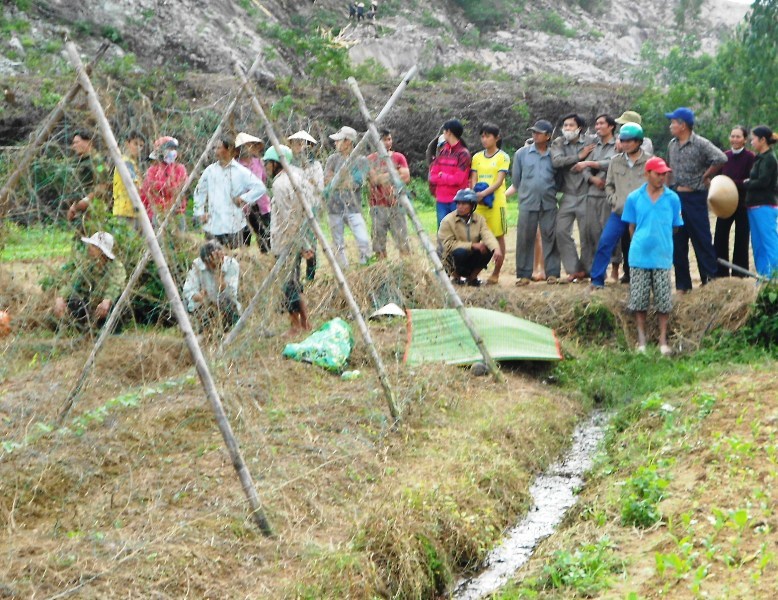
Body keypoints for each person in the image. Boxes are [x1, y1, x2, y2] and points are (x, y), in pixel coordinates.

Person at [621, 157, 683, 355]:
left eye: (665, 174)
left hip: (662, 255)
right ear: (647, 174)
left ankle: (663, 341)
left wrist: (660, 240)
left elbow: (675, 226)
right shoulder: (634, 197)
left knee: (663, 300)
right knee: (639, 300)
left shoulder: (672, 198)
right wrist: (641, 242)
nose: (662, 178)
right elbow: (631, 226)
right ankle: (641, 341)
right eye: (658, 174)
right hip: (639, 256)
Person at [665, 107, 727, 292]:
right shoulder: (672, 145)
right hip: (676, 198)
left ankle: (709, 282)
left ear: (683, 125)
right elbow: (669, 167)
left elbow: (721, 158)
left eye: (673, 122)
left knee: (701, 240)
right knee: (678, 242)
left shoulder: (700, 143)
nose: (671, 126)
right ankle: (683, 286)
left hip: (695, 198)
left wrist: (706, 176)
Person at [590, 123, 650, 289]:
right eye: (623, 140)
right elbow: (609, 184)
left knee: (641, 247)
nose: (625, 144)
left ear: (638, 141)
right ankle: (596, 280)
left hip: (642, 214)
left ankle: (643, 282)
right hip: (620, 212)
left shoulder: (650, 161)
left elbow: (656, 185)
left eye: (629, 141)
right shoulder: (615, 162)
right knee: (605, 243)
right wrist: (613, 199)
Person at [267, 144, 317, 334]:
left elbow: (288, 218)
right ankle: (305, 322)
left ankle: (295, 325)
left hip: (285, 240)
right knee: (296, 283)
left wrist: (299, 243)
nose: (266, 169)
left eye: (268, 164)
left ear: (275, 164)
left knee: (288, 285)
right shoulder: (298, 178)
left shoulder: (280, 184)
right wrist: (304, 242)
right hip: (298, 236)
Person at [193, 137, 267, 249]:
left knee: (233, 258)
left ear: (229, 150)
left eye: (218, 148)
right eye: (214, 148)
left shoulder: (240, 171)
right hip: (214, 224)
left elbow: (260, 187)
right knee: (212, 257)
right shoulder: (210, 171)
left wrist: (244, 198)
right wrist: (199, 212)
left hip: (234, 225)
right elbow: (199, 192)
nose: (215, 151)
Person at [512, 120, 562, 285]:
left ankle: (552, 273)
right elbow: (516, 180)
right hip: (527, 201)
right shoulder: (521, 154)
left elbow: (559, 180)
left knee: (551, 237)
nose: (535, 135)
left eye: (539, 132)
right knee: (525, 238)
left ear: (548, 136)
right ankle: (524, 274)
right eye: (533, 132)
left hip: (548, 202)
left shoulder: (554, 154)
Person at [551, 113, 598, 282]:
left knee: (587, 234)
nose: (567, 129)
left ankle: (587, 270)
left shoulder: (590, 142)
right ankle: (573, 270)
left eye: (571, 125)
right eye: (565, 125)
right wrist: (579, 157)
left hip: (586, 192)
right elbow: (556, 161)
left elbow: (593, 160)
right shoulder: (558, 142)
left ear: (580, 128)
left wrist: (584, 161)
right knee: (561, 231)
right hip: (568, 194)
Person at [53, 231, 126, 330]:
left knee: (115, 305)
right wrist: (61, 298)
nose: (89, 248)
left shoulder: (117, 267)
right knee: (73, 302)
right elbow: (73, 283)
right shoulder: (88, 265)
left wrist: (107, 300)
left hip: (107, 306)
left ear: (101, 251)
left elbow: (115, 286)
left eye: (93, 246)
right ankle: (75, 326)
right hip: (92, 305)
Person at [323, 126, 372, 267]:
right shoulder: (332, 159)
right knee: (338, 244)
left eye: (338, 141)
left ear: (348, 142)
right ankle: (343, 271)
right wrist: (341, 180)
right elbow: (327, 181)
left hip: (353, 207)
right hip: (334, 207)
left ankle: (365, 266)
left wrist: (337, 181)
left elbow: (356, 183)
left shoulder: (360, 160)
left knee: (363, 240)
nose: (335, 143)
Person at [469, 122, 510, 284]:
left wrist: (484, 194)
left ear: (496, 138)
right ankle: (474, 272)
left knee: (498, 237)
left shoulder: (503, 157)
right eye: (482, 136)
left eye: (488, 136)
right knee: (477, 237)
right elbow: (473, 178)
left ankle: (496, 273)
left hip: (496, 203)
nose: (484, 139)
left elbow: (499, 181)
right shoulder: (477, 157)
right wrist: (474, 193)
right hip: (479, 204)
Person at [578, 114, 617, 275]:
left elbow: (612, 163)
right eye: (596, 124)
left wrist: (590, 164)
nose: (598, 127)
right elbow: (583, 169)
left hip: (610, 196)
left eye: (601, 123)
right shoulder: (595, 146)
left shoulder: (618, 145)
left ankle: (615, 267)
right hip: (593, 193)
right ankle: (597, 270)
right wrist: (593, 178)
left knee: (611, 233)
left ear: (611, 126)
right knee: (592, 232)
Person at [714, 126, 755, 277]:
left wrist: (733, 183)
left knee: (741, 239)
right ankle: (720, 273)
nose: (735, 139)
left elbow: (750, 181)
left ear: (745, 139)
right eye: (732, 136)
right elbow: (718, 178)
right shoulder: (724, 157)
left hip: (743, 204)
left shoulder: (751, 157)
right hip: (724, 203)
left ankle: (740, 275)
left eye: (738, 137)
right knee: (719, 238)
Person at [438, 189, 501, 287]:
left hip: (470, 257)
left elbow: (487, 234)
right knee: (460, 252)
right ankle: (456, 277)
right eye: (458, 203)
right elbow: (447, 244)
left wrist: (495, 248)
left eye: (464, 204)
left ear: (472, 205)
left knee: (488, 248)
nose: (460, 206)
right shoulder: (447, 221)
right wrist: (472, 245)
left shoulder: (479, 219)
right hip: (453, 258)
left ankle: (472, 278)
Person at [367, 128, 411, 259]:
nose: (387, 142)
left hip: (396, 205)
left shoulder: (399, 157)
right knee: (379, 246)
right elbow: (375, 180)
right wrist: (395, 173)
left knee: (403, 243)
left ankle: (407, 271)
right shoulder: (370, 159)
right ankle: (382, 274)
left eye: (389, 139)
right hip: (377, 206)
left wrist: (383, 175)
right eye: (384, 140)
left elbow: (406, 177)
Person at [289, 130, 324, 280]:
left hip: (310, 208)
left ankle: (310, 277)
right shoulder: (288, 164)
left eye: (302, 144)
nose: (300, 147)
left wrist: (309, 179)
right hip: (294, 209)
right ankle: (294, 276)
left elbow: (319, 188)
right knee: (294, 244)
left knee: (310, 244)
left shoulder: (315, 165)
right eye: (296, 144)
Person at [183, 240, 241, 330]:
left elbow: (230, 293)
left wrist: (218, 270)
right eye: (209, 263)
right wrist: (200, 297)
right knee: (184, 303)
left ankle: (226, 328)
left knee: (228, 302)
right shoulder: (197, 264)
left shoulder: (231, 264)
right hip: (204, 307)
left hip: (225, 307)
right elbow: (188, 290)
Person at [744, 125, 778, 278]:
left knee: (769, 243)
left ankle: (775, 276)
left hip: (764, 205)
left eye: (754, 139)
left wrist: (746, 183)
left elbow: (763, 181)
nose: (751, 142)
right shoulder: (760, 158)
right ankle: (764, 276)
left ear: (763, 140)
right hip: (754, 206)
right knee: (758, 244)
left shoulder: (769, 159)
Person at [429, 119, 471, 228]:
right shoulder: (442, 152)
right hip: (441, 200)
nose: (443, 134)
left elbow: (458, 180)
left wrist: (442, 176)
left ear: (449, 132)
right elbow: (432, 176)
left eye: (444, 131)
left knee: (459, 233)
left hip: (458, 202)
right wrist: (444, 177)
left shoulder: (463, 154)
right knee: (443, 233)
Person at [140, 136, 188, 231]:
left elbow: (183, 188)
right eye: (169, 149)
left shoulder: (180, 169)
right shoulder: (152, 171)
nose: (172, 151)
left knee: (179, 241)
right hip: (159, 213)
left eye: (174, 149)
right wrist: (170, 188)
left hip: (177, 213)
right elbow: (152, 188)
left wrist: (166, 188)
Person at [65, 131, 110, 230]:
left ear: (88, 142)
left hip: (95, 209)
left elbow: (102, 186)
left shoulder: (97, 161)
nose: (74, 145)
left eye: (77, 142)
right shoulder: (82, 161)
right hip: (82, 209)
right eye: (73, 143)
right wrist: (74, 207)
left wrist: (83, 203)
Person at [235, 132, 272, 252]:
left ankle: (267, 258)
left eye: (251, 145)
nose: (249, 148)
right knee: (243, 239)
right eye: (246, 145)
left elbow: (264, 180)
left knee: (265, 236)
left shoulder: (259, 163)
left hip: (261, 205)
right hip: (243, 206)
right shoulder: (236, 165)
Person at [112, 131, 145, 229]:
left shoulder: (132, 163)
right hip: (125, 210)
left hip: (130, 210)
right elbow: (135, 186)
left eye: (141, 146)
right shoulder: (126, 162)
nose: (138, 148)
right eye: (135, 144)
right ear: (127, 143)